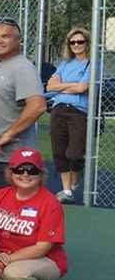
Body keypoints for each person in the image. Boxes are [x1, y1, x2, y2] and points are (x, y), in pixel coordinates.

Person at [0, 18, 46, 217]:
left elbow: (37, 105)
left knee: (6, 211)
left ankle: (9, 248)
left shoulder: (23, 67)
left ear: (18, 40)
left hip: (6, 156)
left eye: (5, 36)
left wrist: (8, 134)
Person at [0, 149, 68, 280]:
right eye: (19, 170)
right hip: (4, 257)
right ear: (10, 173)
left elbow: (43, 247)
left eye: (32, 170)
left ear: (41, 174)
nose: (25, 175)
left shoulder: (50, 203)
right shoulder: (0, 195)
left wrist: (6, 261)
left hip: (45, 259)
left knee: (14, 273)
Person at [46, 27, 91, 202]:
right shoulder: (64, 64)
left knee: (75, 153)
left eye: (80, 42)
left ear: (86, 43)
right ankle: (67, 191)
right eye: (73, 42)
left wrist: (63, 85)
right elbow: (50, 87)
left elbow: (82, 88)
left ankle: (75, 180)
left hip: (78, 111)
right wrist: (72, 85)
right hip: (59, 109)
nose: (76, 45)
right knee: (59, 151)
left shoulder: (92, 63)